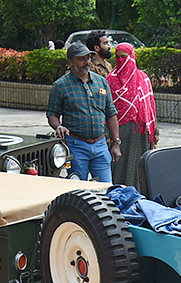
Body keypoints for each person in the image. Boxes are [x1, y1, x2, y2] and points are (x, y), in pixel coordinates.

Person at [47, 41, 120, 181]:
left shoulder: (101, 82)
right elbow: (52, 114)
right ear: (71, 61)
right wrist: (58, 127)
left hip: (100, 145)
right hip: (76, 146)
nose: (86, 62)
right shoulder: (60, 86)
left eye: (88, 58)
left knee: (106, 188)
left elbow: (111, 113)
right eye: (81, 59)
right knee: (79, 190)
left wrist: (116, 143)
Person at [106, 42, 158, 189]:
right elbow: (107, 110)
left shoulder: (143, 78)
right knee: (121, 167)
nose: (121, 60)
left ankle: (141, 198)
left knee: (140, 166)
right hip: (120, 133)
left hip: (141, 133)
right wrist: (109, 135)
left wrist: (156, 130)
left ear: (132, 57)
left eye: (124, 57)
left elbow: (150, 105)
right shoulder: (111, 80)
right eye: (117, 57)